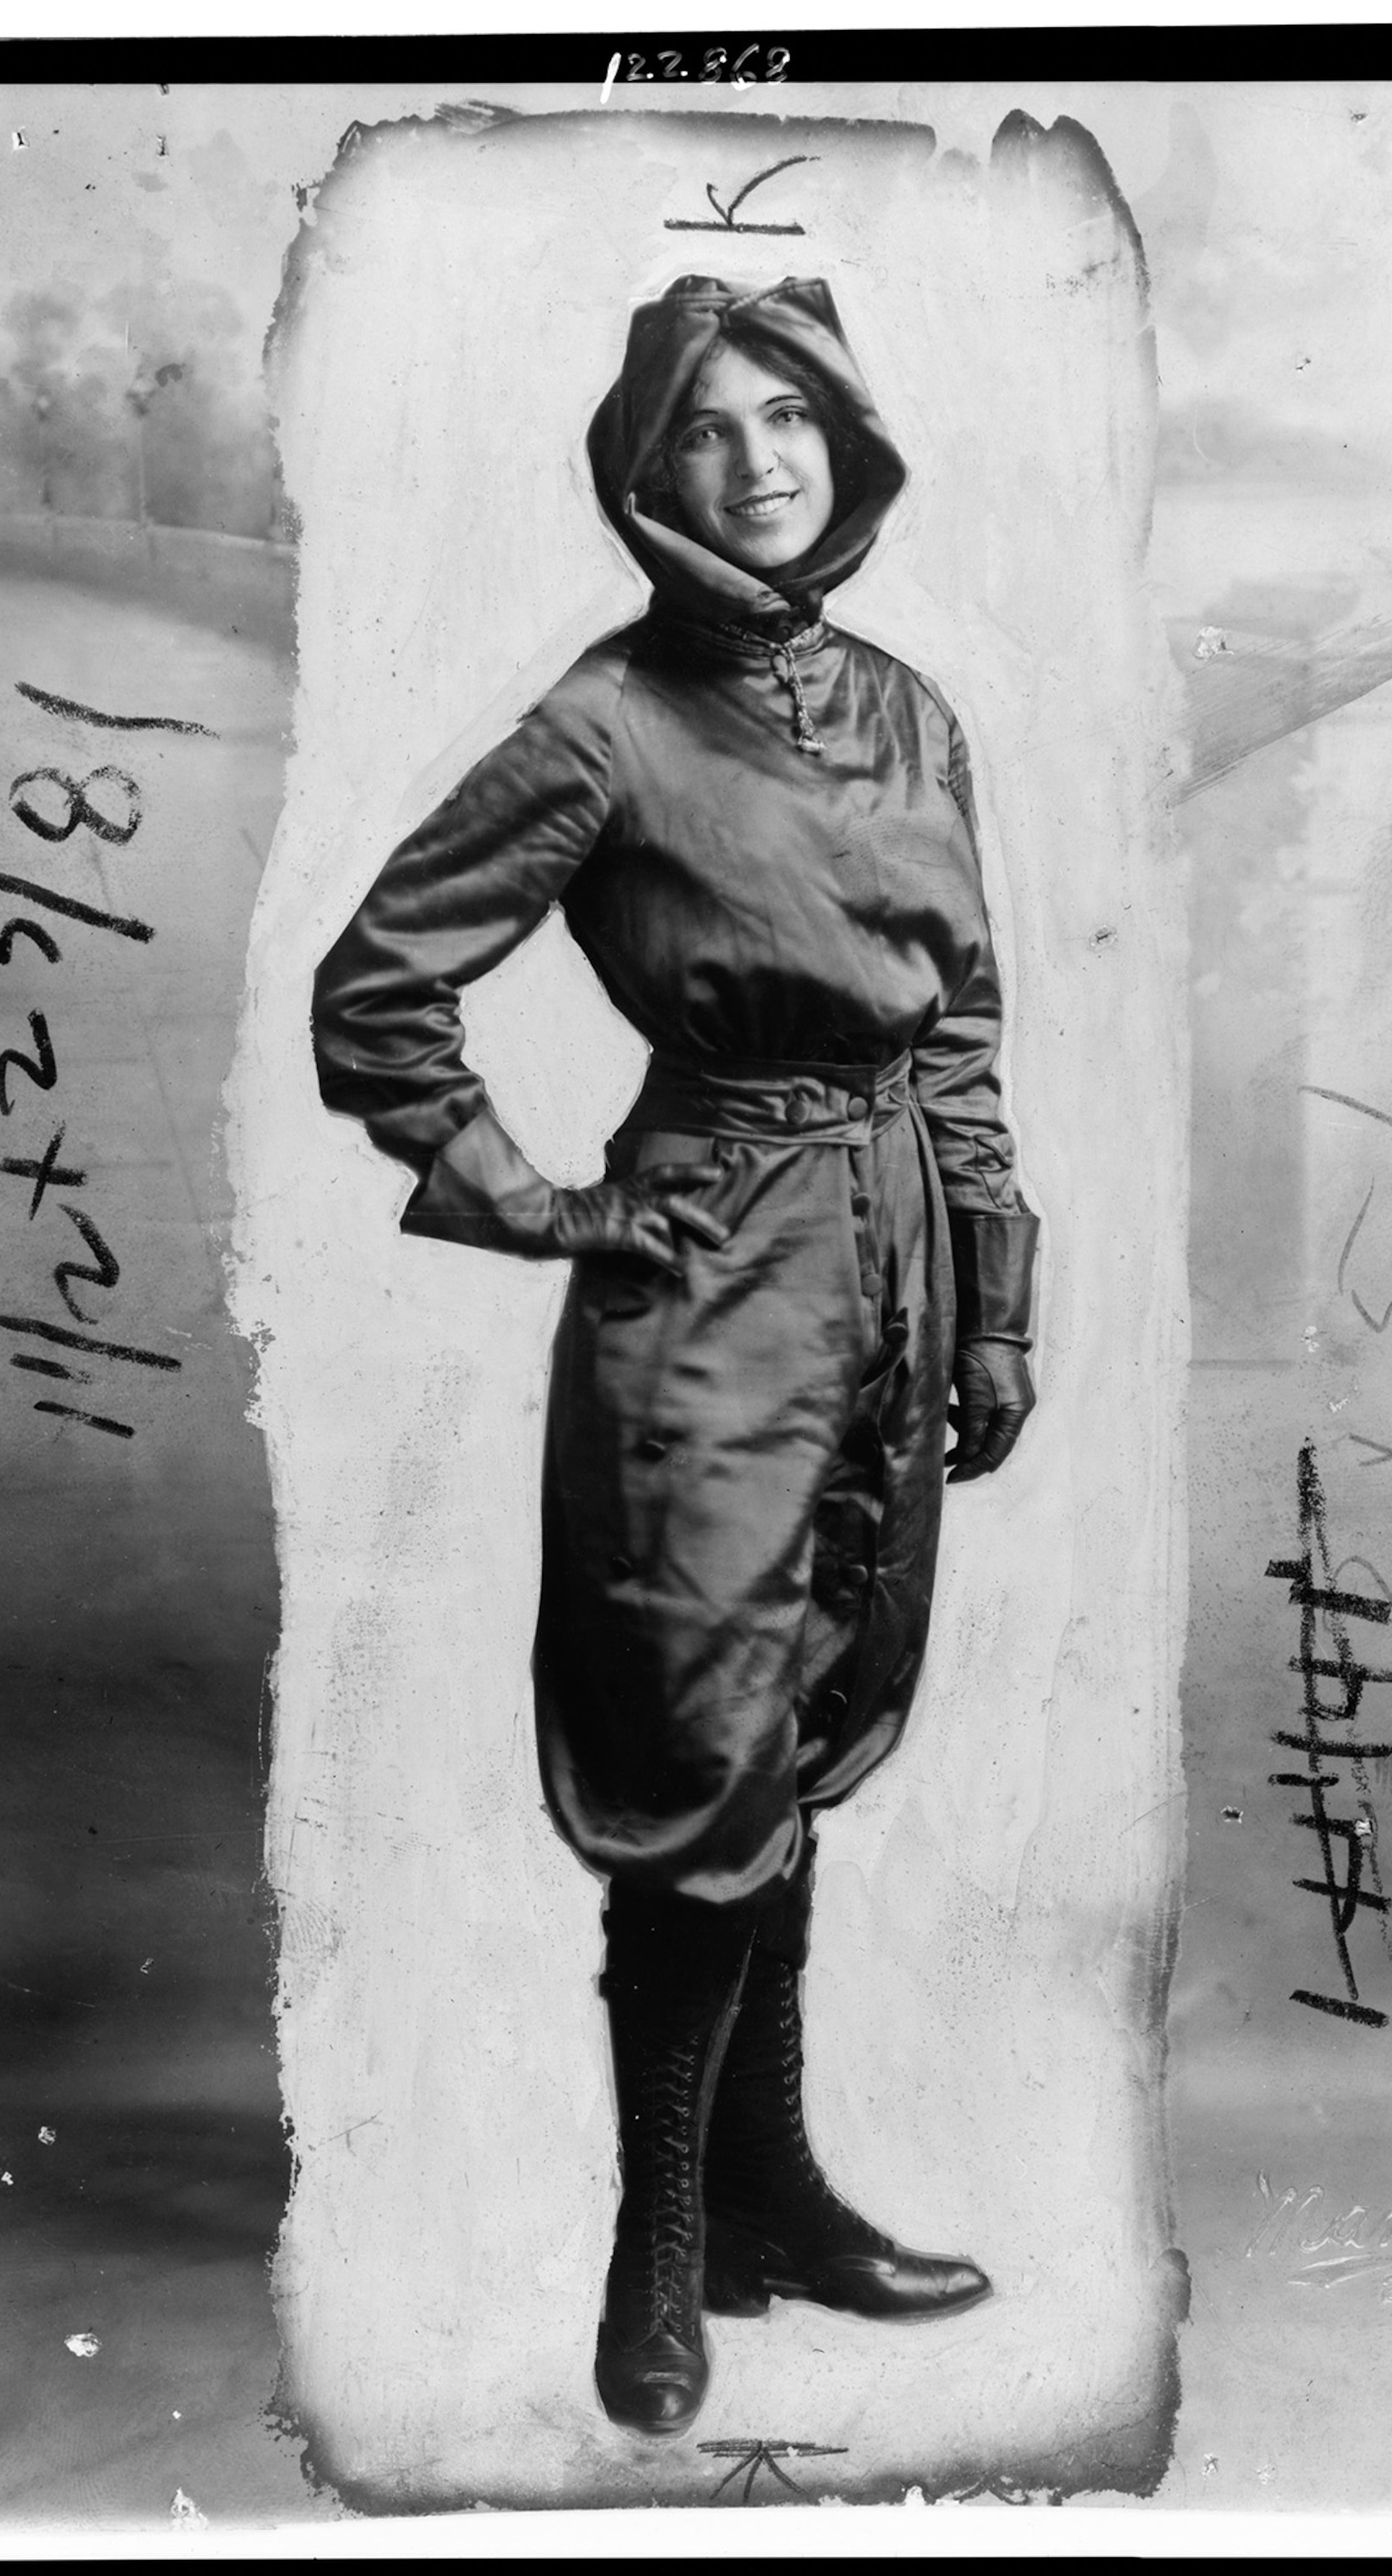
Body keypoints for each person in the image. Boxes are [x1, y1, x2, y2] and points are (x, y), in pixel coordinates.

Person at [312, 275, 1039, 2438]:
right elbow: (380, 992)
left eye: (792, 417)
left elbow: (968, 1021)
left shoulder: (917, 712)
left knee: (807, 1715)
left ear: (849, 435)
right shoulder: (606, 722)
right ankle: (657, 2252)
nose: (762, 463)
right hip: (710, 1276)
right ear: (650, 475)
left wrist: (997, 1292)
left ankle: (773, 2199)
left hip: (895, 1248)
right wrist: (542, 1203)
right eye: (712, 433)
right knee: (695, 1754)